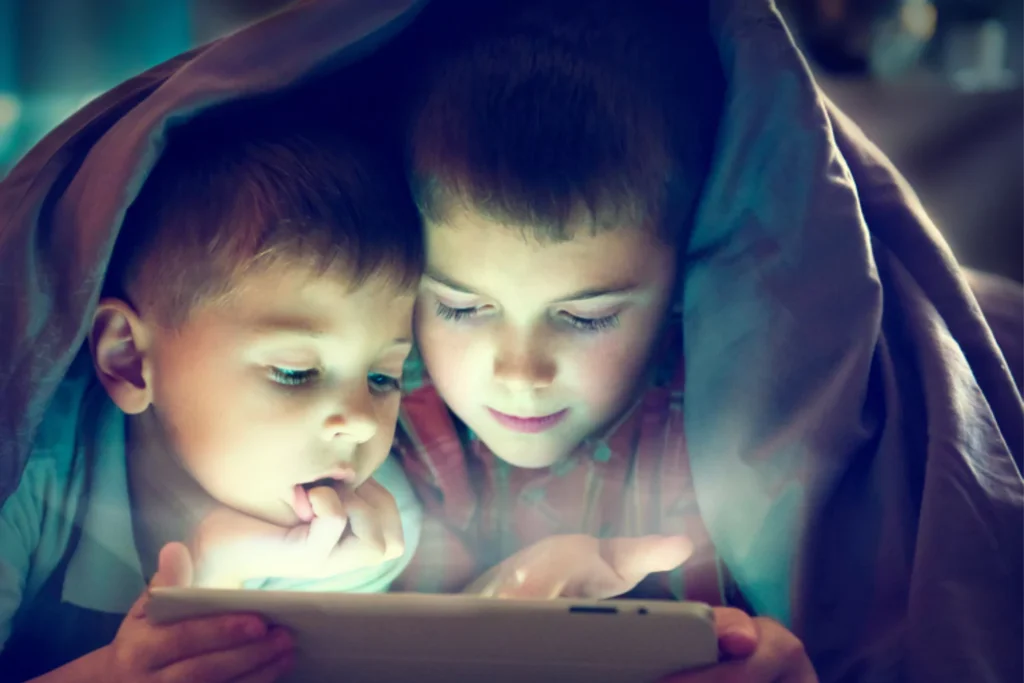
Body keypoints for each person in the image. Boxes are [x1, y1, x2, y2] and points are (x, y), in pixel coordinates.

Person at [391, 1, 1023, 682]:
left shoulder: (745, 408)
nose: (518, 371)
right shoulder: (382, 403)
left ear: (681, 280)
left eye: (584, 317)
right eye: (461, 306)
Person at [0, 106, 424, 682]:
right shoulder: (23, 473)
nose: (364, 423)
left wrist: (220, 578)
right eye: (295, 372)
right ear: (128, 361)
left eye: (383, 377)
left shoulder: (369, 531)